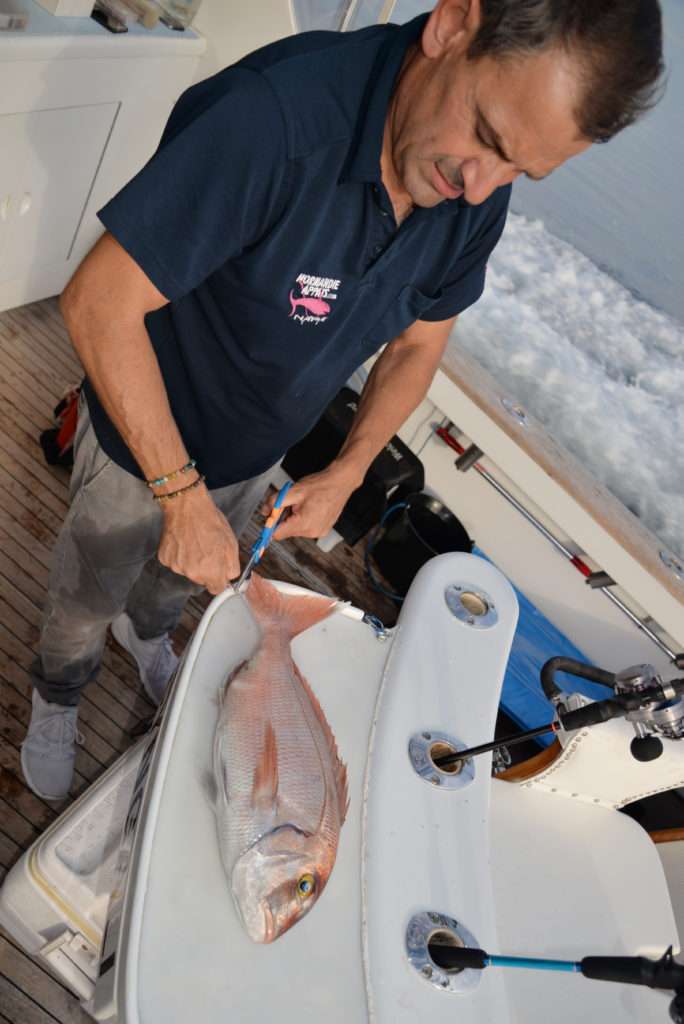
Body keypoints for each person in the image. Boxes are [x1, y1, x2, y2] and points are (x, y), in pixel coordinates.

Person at [20, 0, 664, 800]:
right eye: (490, 141)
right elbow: (99, 300)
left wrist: (349, 467)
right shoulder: (273, 119)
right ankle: (58, 692)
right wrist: (178, 494)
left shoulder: (474, 189)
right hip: (138, 442)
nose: (480, 189)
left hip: (256, 453)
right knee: (87, 591)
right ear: (452, 25)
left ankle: (145, 633)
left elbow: (420, 342)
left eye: (517, 172)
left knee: (174, 587)